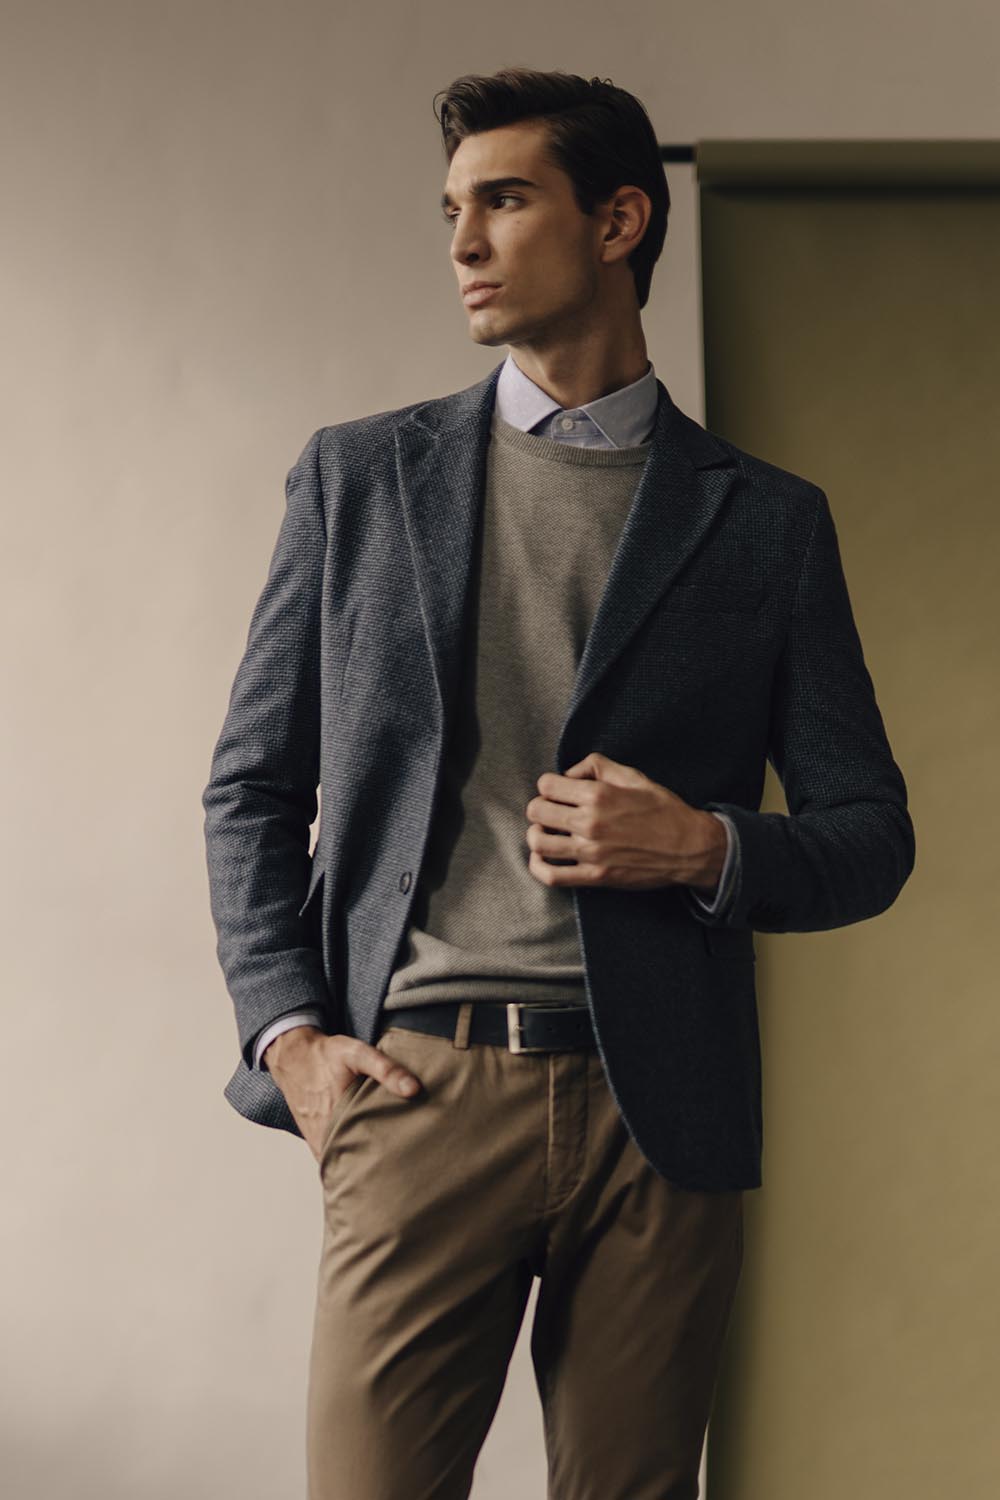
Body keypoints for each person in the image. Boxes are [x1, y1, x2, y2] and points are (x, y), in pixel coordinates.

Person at [202, 66, 914, 1500]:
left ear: (619, 221)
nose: (463, 242)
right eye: (452, 210)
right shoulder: (359, 479)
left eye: (505, 201)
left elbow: (871, 833)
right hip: (419, 1085)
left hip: (661, 1115)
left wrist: (703, 846)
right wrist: (290, 1039)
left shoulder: (766, 523)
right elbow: (252, 788)